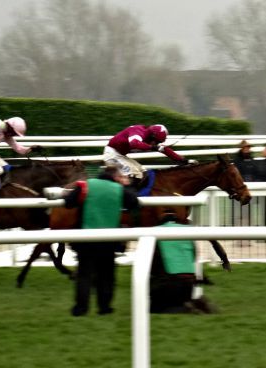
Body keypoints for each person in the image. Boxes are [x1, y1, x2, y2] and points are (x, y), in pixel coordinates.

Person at [59, 166, 140, 316]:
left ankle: (80, 308)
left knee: (84, 274)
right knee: (107, 274)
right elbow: (133, 203)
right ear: (116, 177)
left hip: (86, 238)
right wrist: (126, 185)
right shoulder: (118, 188)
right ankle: (104, 308)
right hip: (109, 240)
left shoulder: (86, 184)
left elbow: (68, 203)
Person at [150, 213, 216, 314]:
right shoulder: (187, 231)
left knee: (154, 308)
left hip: (170, 282)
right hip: (189, 284)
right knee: (178, 301)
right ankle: (194, 303)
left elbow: (152, 264)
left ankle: (187, 309)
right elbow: (194, 256)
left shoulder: (154, 232)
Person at [103, 124, 188, 186]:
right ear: (151, 136)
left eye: (158, 142)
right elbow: (134, 143)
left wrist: (180, 159)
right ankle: (126, 203)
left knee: (143, 172)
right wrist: (153, 147)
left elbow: (163, 149)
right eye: (156, 141)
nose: (156, 143)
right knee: (134, 174)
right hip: (112, 154)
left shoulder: (148, 135)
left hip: (119, 155)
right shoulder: (138, 131)